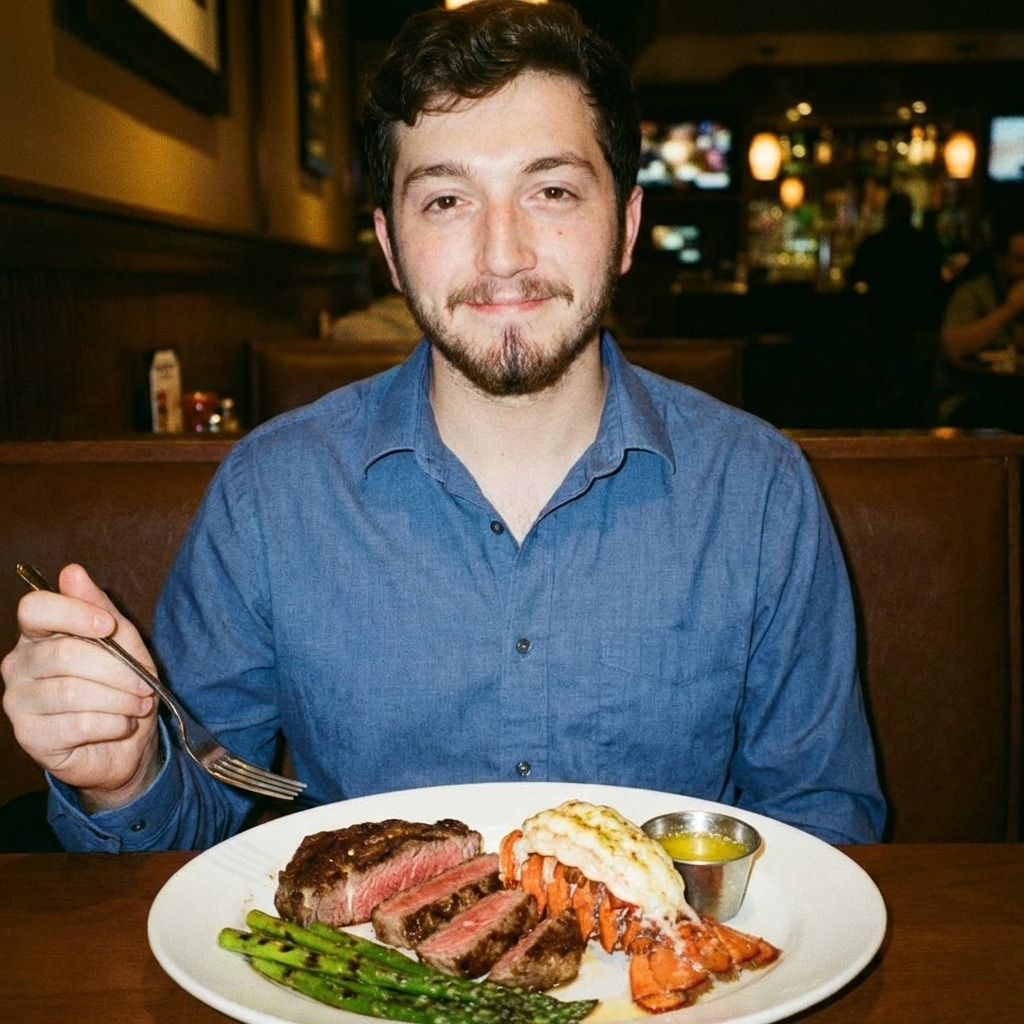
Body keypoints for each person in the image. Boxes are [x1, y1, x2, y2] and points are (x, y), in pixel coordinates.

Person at [0, 0, 885, 852]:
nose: (503, 253)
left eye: (552, 189)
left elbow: (822, 820)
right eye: (446, 201)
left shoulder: (760, 488)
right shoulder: (271, 492)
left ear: (625, 227)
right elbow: (207, 809)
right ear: (389, 248)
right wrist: (121, 776)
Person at [849, 191, 945, 425]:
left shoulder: (875, 244)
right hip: (918, 328)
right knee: (913, 390)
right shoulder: (927, 244)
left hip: (881, 326)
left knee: (882, 388)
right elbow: (938, 285)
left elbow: (854, 278)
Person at [940, 211, 1024, 361]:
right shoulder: (974, 292)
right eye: (1020, 260)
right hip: (974, 381)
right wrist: (1009, 309)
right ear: (1001, 261)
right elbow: (952, 346)